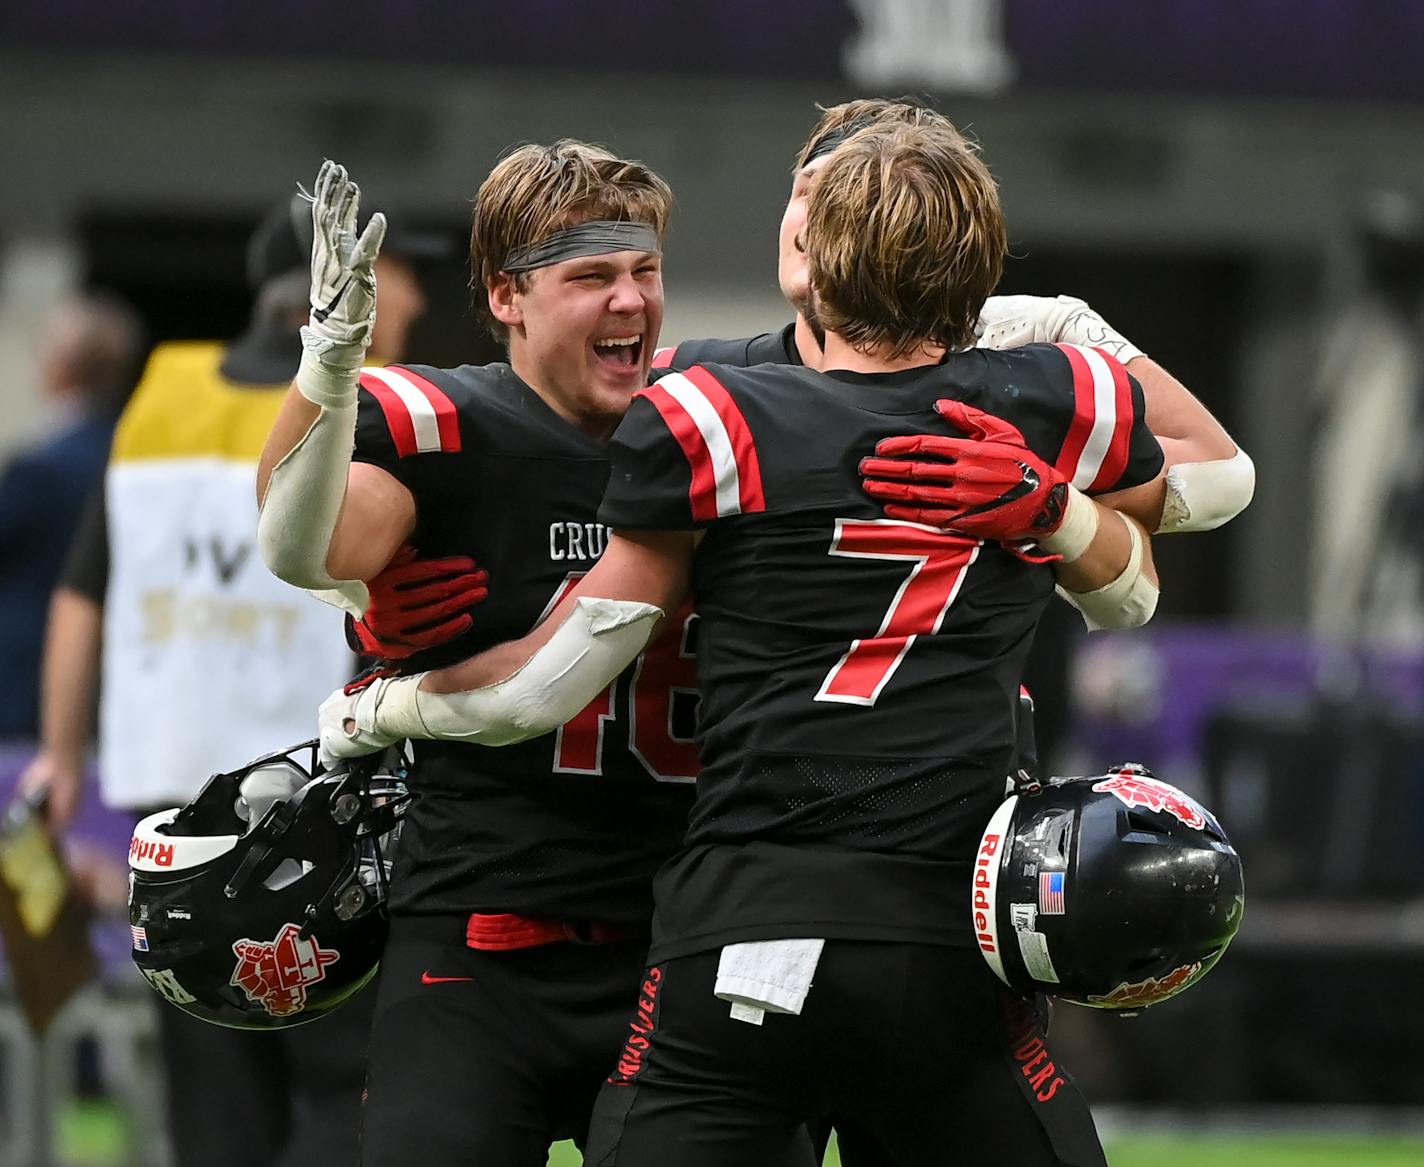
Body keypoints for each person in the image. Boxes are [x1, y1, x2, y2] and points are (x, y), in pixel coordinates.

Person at [319, 119, 1166, 1166]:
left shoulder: (712, 416)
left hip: (740, 927)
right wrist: (1050, 510)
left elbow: (545, 683)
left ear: (816, 255)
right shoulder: (1060, 398)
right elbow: (1139, 583)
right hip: (949, 933)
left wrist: (377, 706)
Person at [256, 147, 695, 1167]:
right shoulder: (449, 420)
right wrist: (329, 362)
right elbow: (308, 541)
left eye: (644, 271)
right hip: (477, 935)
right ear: (507, 295)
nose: (629, 300)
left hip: (674, 938)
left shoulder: (708, 413)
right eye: (592, 276)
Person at [19, 192, 434, 1167]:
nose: (413, 292)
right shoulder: (365, 400)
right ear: (337, 290)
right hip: (320, 811)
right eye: (400, 273)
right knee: (342, 1083)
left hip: (181, 819)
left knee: (215, 1096)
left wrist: (64, 756)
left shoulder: (157, 400)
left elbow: (83, 597)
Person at [0, 292, 142, 740]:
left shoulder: (38, 468)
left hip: (27, 677)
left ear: (61, 366)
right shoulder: (132, 455)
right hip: (113, 673)